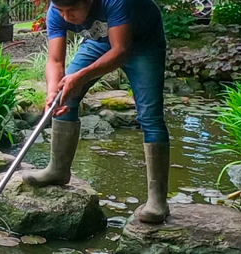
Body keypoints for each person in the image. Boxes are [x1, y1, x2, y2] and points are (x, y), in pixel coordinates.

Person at [22, 0, 170, 223]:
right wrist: (53, 91)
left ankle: (158, 201)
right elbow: (54, 60)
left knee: (150, 116)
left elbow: (121, 50)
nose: (65, 17)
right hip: (99, 43)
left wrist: (81, 77)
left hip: (143, 44)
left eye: (71, 10)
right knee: (65, 98)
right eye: (61, 11)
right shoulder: (57, 10)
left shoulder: (116, 2)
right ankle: (58, 170)